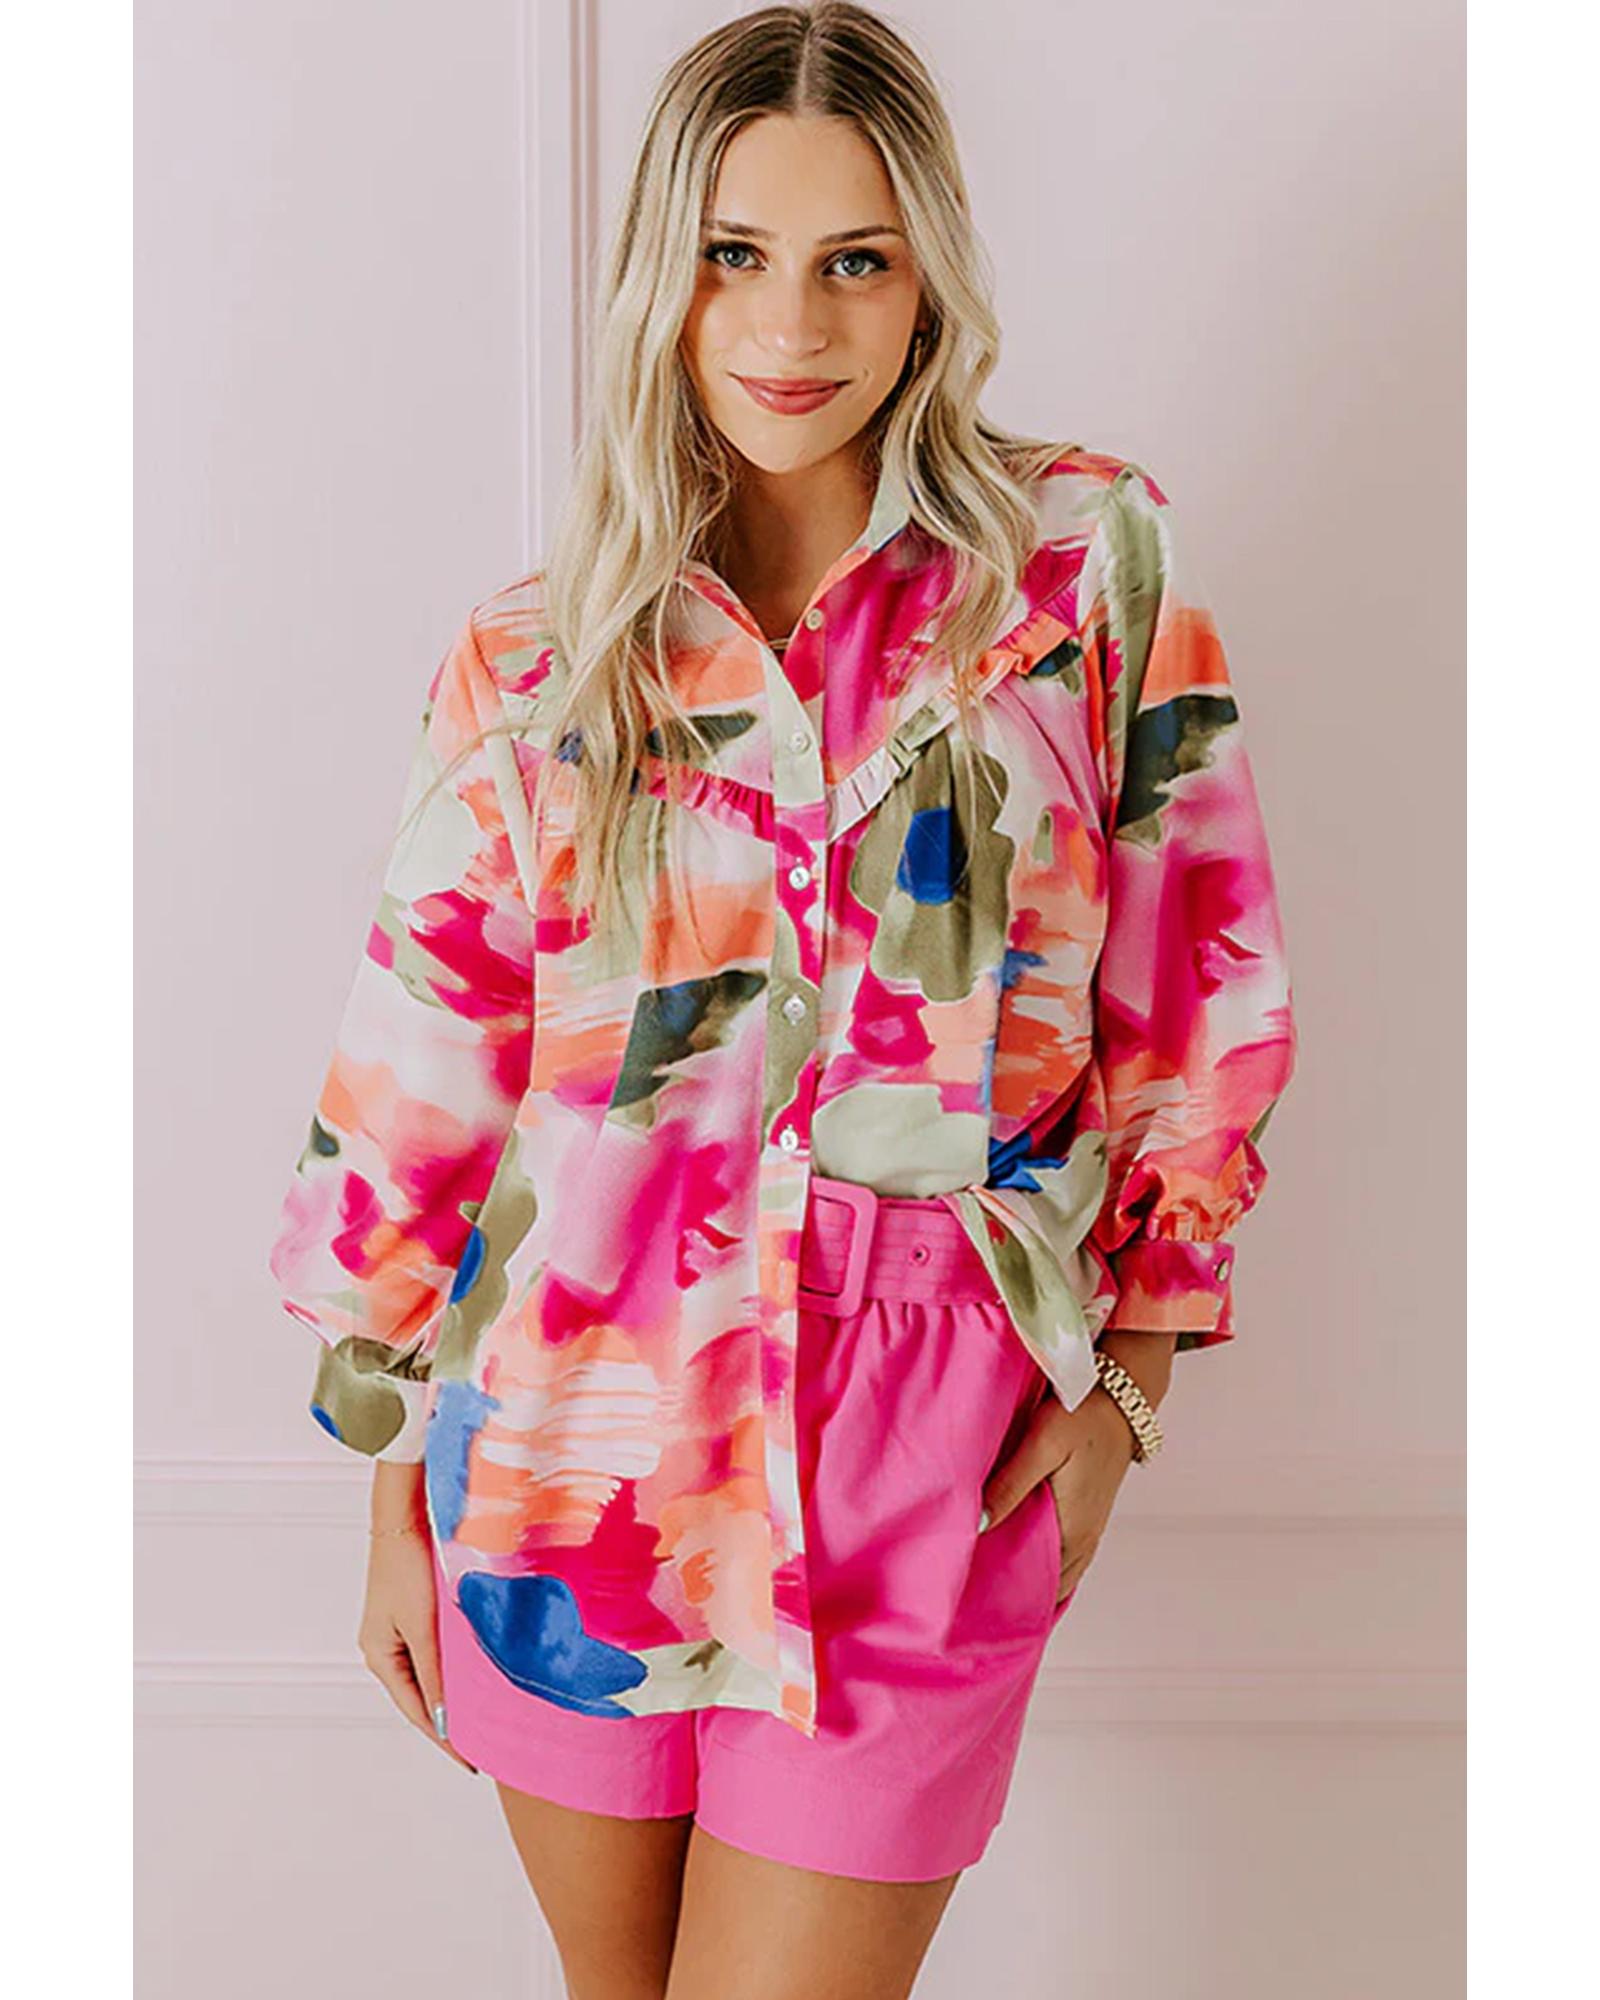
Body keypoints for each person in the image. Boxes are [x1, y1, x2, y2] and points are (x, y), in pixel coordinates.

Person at [266, 4, 1298, 1995]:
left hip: (923, 1437)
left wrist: (1130, 1388)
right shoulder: (536, 658)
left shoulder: (1080, 571)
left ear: (930, 278)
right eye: (734, 254)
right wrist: (391, 1490)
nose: (790, 324)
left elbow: (1202, 974)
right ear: (662, 273)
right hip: (567, 1437)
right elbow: (426, 1080)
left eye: (854, 259)